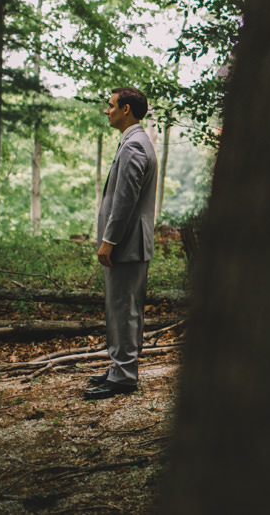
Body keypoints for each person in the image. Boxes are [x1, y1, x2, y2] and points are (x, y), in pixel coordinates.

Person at [84, 87, 158, 400]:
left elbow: (125, 200)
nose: (107, 110)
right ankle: (120, 366)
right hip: (128, 245)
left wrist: (108, 241)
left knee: (123, 309)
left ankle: (124, 375)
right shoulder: (134, 141)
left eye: (111, 105)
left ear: (126, 109)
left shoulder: (134, 146)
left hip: (126, 245)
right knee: (122, 308)